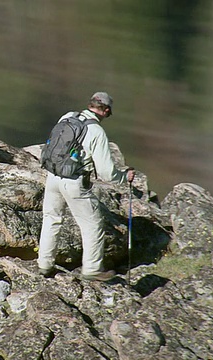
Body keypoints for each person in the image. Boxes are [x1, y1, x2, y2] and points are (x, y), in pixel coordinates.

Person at [38, 91, 135, 281]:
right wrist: (124, 177)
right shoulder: (97, 132)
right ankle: (91, 269)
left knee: (51, 218)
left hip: (52, 176)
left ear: (90, 104)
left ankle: (44, 264)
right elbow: (107, 172)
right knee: (93, 223)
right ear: (106, 111)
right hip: (74, 182)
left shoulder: (68, 116)